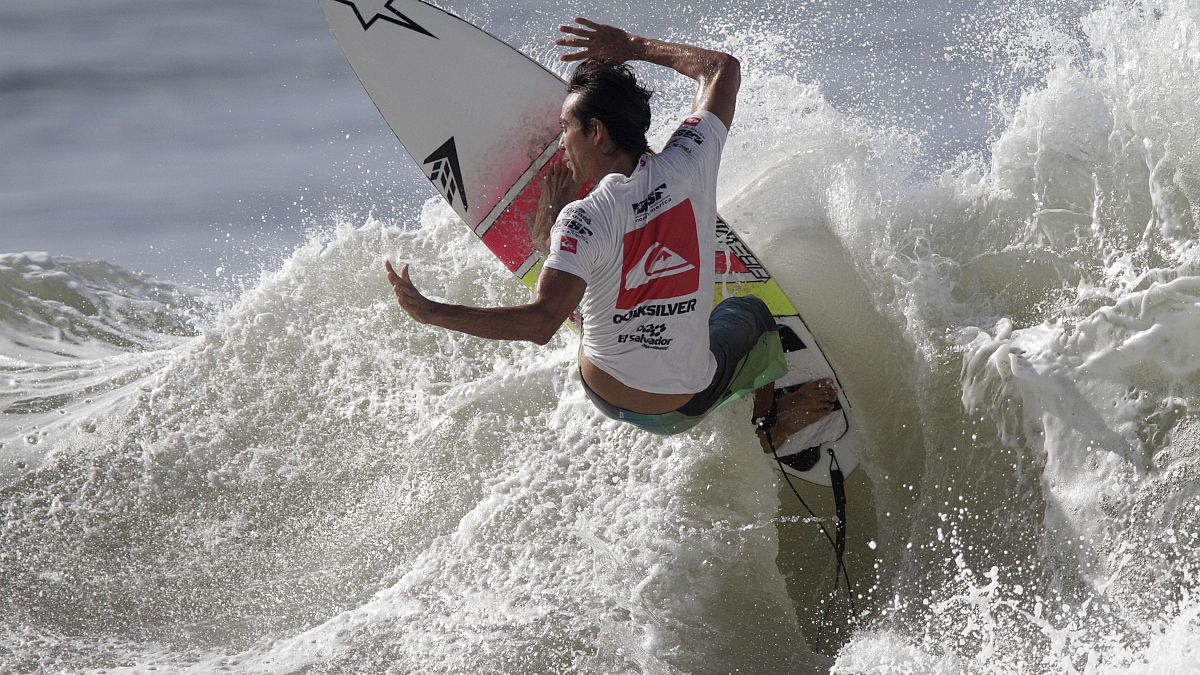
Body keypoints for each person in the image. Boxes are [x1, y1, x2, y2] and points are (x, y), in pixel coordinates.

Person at [386, 18, 837, 447]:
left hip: (604, 390)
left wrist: (433, 312)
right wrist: (631, 48)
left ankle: (556, 255)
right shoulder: (691, 159)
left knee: (586, 272)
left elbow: (542, 322)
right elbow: (722, 68)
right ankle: (769, 422)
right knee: (751, 314)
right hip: (682, 403)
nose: (561, 141)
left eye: (566, 128)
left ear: (597, 132)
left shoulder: (584, 218)